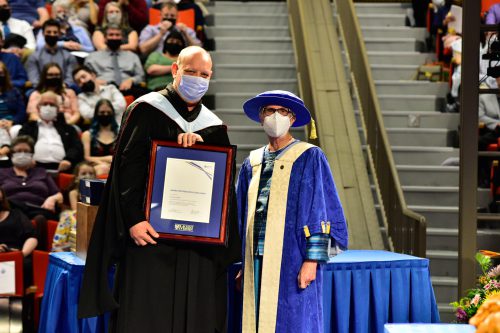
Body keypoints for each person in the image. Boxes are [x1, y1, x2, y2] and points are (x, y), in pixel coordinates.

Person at [79, 46, 241, 333]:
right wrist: (133, 220)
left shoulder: (214, 128)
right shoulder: (146, 110)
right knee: (145, 316)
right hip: (149, 236)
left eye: (204, 74)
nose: (198, 79)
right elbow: (128, 169)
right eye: (191, 71)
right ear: (175, 70)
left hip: (198, 241)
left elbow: (223, 188)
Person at [236, 90, 348, 332]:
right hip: (256, 257)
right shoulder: (251, 162)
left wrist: (312, 260)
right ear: (260, 116)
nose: (276, 116)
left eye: (283, 111)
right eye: (269, 111)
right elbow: (240, 214)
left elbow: (320, 209)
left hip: (293, 257)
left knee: (292, 321)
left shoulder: (309, 156)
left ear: (293, 118)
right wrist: (242, 263)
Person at [20, 91, 83, 172]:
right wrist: (28, 158)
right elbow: (20, 144)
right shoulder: (28, 127)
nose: (48, 107)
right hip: (34, 168)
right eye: (45, 104)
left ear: (57, 109)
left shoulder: (68, 129)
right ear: (38, 108)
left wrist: (69, 159)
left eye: (52, 105)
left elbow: (76, 147)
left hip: (63, 168)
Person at [85, 24, 146, 98]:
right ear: (105, 38)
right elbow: (86, 77)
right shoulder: (92, 57)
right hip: (102, 90)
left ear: (122, 38)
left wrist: (132, 80)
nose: (114, 37)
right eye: (111, 35)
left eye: (117, 35)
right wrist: (94, 81)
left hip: (129, 90)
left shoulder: (132, 56)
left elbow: (141, 76)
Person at [52, 161, 96, 251]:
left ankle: (82, 244)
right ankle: (59, 246)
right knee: (69, 215)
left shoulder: (98, 192)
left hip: (94, 216)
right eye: (83, 173)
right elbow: (76, 210)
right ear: (77, 177)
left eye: (91, 173)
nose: (88, 176)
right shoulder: (74, 193)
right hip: (79, 216)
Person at [0, 186, 38, 286]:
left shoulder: (16, 214)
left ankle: (21, 299)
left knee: (26, 264)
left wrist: (22, 254)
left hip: (16, 254)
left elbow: (32, 236)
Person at [25, 19, 78, 87]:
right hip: (40, 90)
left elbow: (70, 79)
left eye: (55, 32)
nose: (52, 35)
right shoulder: (34, 57)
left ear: (59, 34)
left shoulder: (69, 57)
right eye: (49, 32)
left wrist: (62, 88)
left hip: (64, 89)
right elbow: (34, 79)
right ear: (43, 34)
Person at [81, 99, 118, 176]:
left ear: (113, 114)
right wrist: (108, 159)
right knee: (103, 168)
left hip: (116, 167)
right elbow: (87, 157)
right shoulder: (87, 134)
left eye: (108, 112)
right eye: (102, 112)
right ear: (96, 114)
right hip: (95, 168)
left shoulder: (119, 134)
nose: (105, 114)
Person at [0, 60, 25, 161]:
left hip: (11, 123)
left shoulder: (13, 91)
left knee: (18, 130)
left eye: (1, 73)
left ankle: (16, 159)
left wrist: (12, 122)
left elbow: (22, 111)